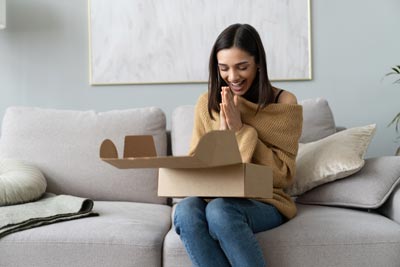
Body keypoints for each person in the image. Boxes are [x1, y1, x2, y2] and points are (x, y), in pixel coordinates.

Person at [174, 23, 303, 267]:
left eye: (242, 67)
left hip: (267, 200)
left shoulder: (284, 102)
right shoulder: (206, 103)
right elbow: (195, 165)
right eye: (224, 68)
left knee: (221, 212)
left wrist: (241, 131)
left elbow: (284, 175)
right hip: (214, 195)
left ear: (258, 63)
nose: (232, 77)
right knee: (185, 211)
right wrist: (223, 135)